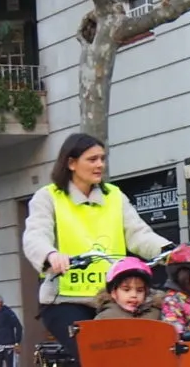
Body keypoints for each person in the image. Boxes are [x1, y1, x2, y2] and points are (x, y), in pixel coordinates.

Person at [21, 133, 171, 345]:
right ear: (71, 163)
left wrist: (168, 250)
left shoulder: (114, 196)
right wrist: (51, 255)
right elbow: (36, 234)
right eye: (92, 159)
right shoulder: (48, 197)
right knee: (90, 355)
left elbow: (138, 233)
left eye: (102, 158)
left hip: (111, 299)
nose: (100, 164)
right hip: (65, 300)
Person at [95, 258, 162, 320]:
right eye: (126, 290)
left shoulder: (155, 315)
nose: (134, 295)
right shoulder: (105, 317)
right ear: (113, 293)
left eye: (140, 290)